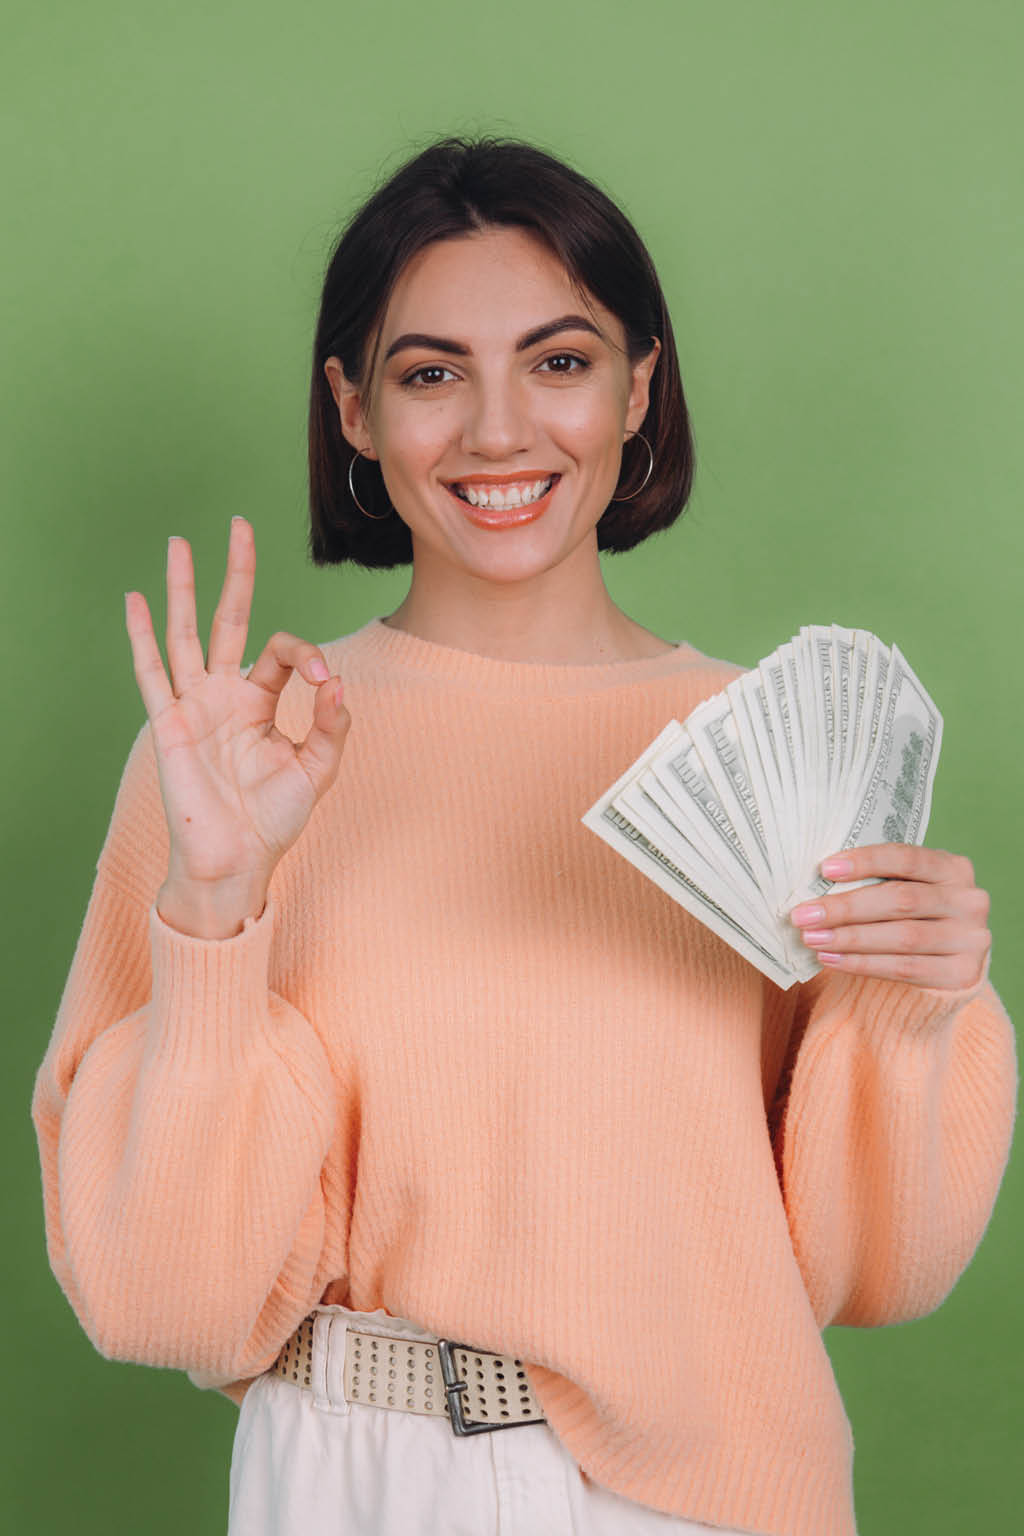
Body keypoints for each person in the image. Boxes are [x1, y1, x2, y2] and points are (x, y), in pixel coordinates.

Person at [31, 136, 1017, 1536]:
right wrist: (217, 905)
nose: (499, 432)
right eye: (432, 374)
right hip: (352, 1480)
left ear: (640, 388)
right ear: (354, 408)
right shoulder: (235, 762)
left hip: (697, 1495)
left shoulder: (773, 755)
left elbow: (878, 1272)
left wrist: (916, 1006)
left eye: (559, 361)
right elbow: (160, 1299)